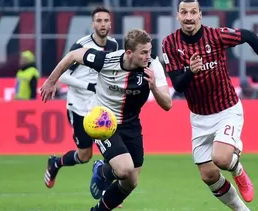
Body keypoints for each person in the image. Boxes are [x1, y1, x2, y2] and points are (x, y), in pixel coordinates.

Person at [162, 0, 258, 210]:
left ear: (200, 15)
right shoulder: (170, 44)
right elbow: (178, 86)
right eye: (184, 12)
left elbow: (249, 36)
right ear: (178, 16)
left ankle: (238, 171)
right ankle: (242, 209)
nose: (188, 17)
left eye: (193, 12)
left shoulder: (216, 36)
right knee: (208, 175)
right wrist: (191, 71)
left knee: (221, 158)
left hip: (227, 109)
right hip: (199, 117)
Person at [40, 28, 172, 211]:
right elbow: (72, 56)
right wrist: (51, 81)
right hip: (103, 121)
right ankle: (102, 170)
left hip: (131, 123)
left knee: (131, 181)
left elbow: (167, 104)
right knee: (124, 169)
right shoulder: (106, 60)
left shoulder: (153, 66)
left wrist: (154, 88)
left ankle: (99, 200)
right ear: (129, 53)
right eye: (143, 52)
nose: (148, 56)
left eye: (149, 51)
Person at [43, 6, 118, 194]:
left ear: (110, 23)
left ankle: (108, 188)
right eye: (99, 21)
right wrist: (89, 86)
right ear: (92, 24)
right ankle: (56, 163)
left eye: (106, 20)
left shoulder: (114, 45)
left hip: (100, 107)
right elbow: (64, 77)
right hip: (78, 106)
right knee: (84, 155)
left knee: (112, 148)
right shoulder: (80, 46)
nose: (103, 24)